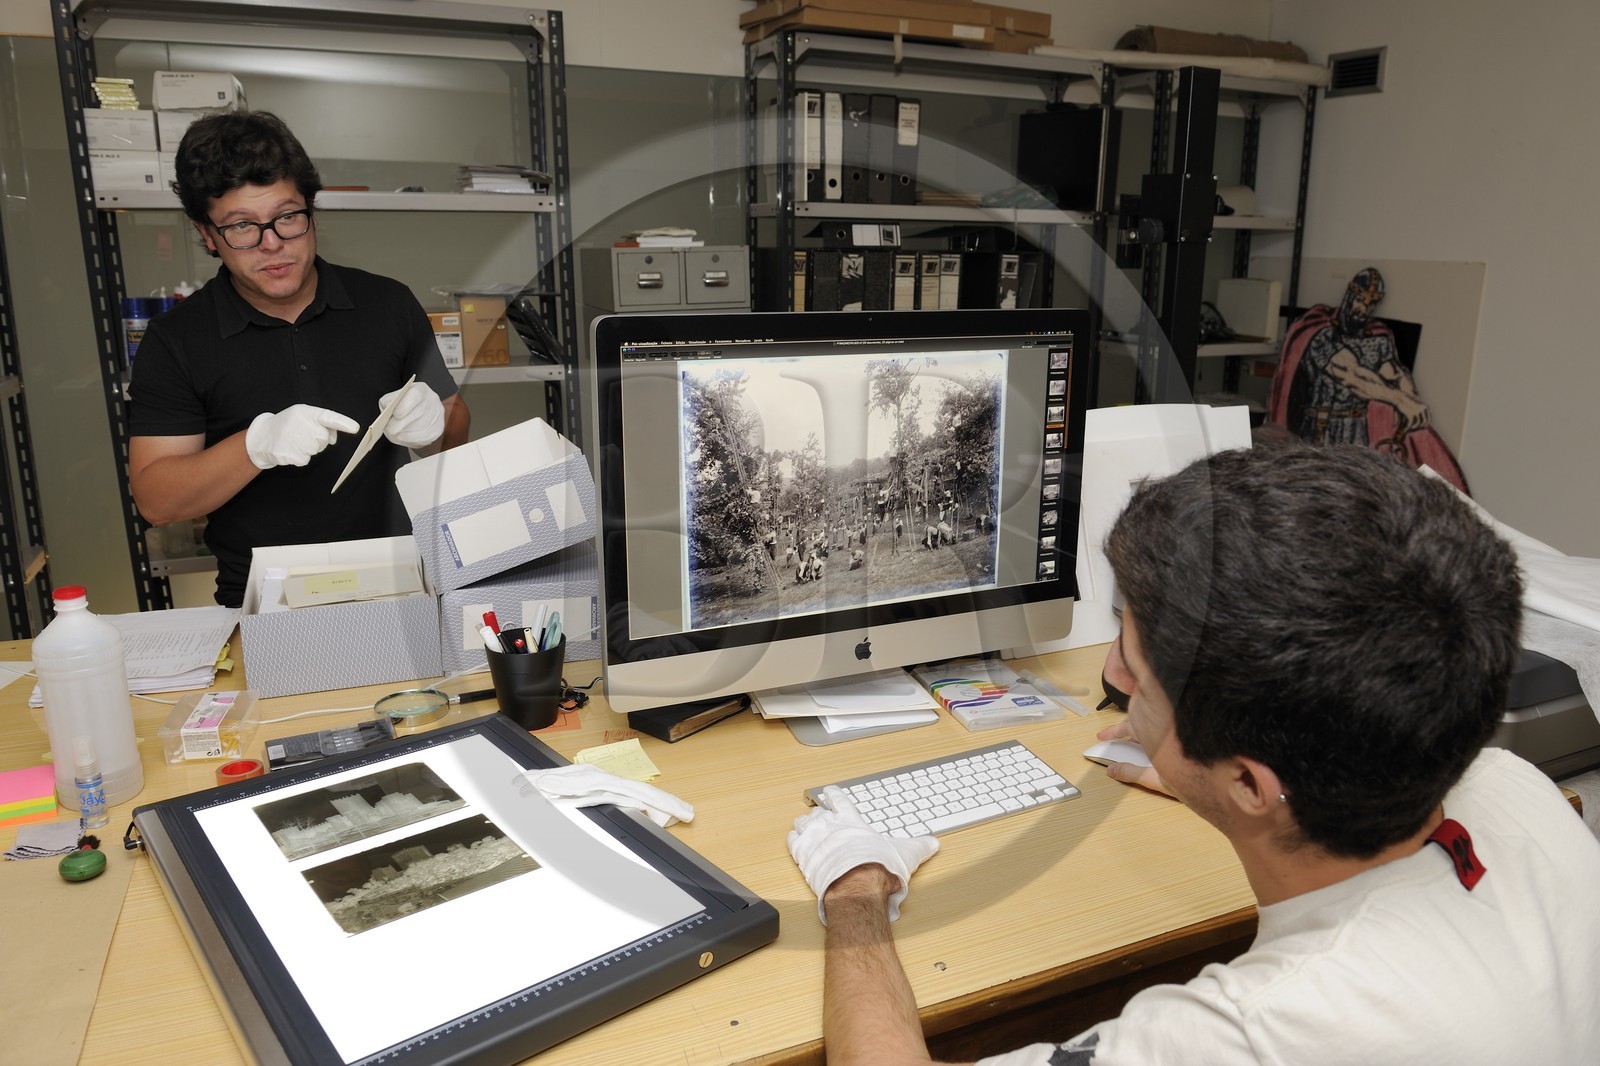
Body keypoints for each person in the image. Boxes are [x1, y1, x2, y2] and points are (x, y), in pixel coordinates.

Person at [787, 444, 1600, 1065]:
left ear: (1250, 780)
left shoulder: (1251, 1030)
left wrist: (855, 892)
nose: (1110, 675)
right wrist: (1200, 777)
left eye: (1135, 674)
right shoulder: (1519, 792)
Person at [128, 110, 469, 606]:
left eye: (287, 217)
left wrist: (435, 428)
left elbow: (455, 429)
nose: (272, 244)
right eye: (241, 226)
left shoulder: (388, 304)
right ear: (207, 234)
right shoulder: (176, 338)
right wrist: (255, 446)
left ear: (311, 210)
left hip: (401, 583)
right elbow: (157, 500)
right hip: (264, 598)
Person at [1267, 267, 1468, 492]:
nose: (1363, 309)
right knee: (1316, 492)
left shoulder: (1376, 338)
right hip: (1319, 431)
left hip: (1357, 432)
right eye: (1360, 300)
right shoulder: (1322, 334)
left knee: (1355, 493)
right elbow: (1353, 375)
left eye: (1370, 304)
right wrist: (1400, 400)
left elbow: (1394, 372)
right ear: (1350, 295)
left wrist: (1411, 398)